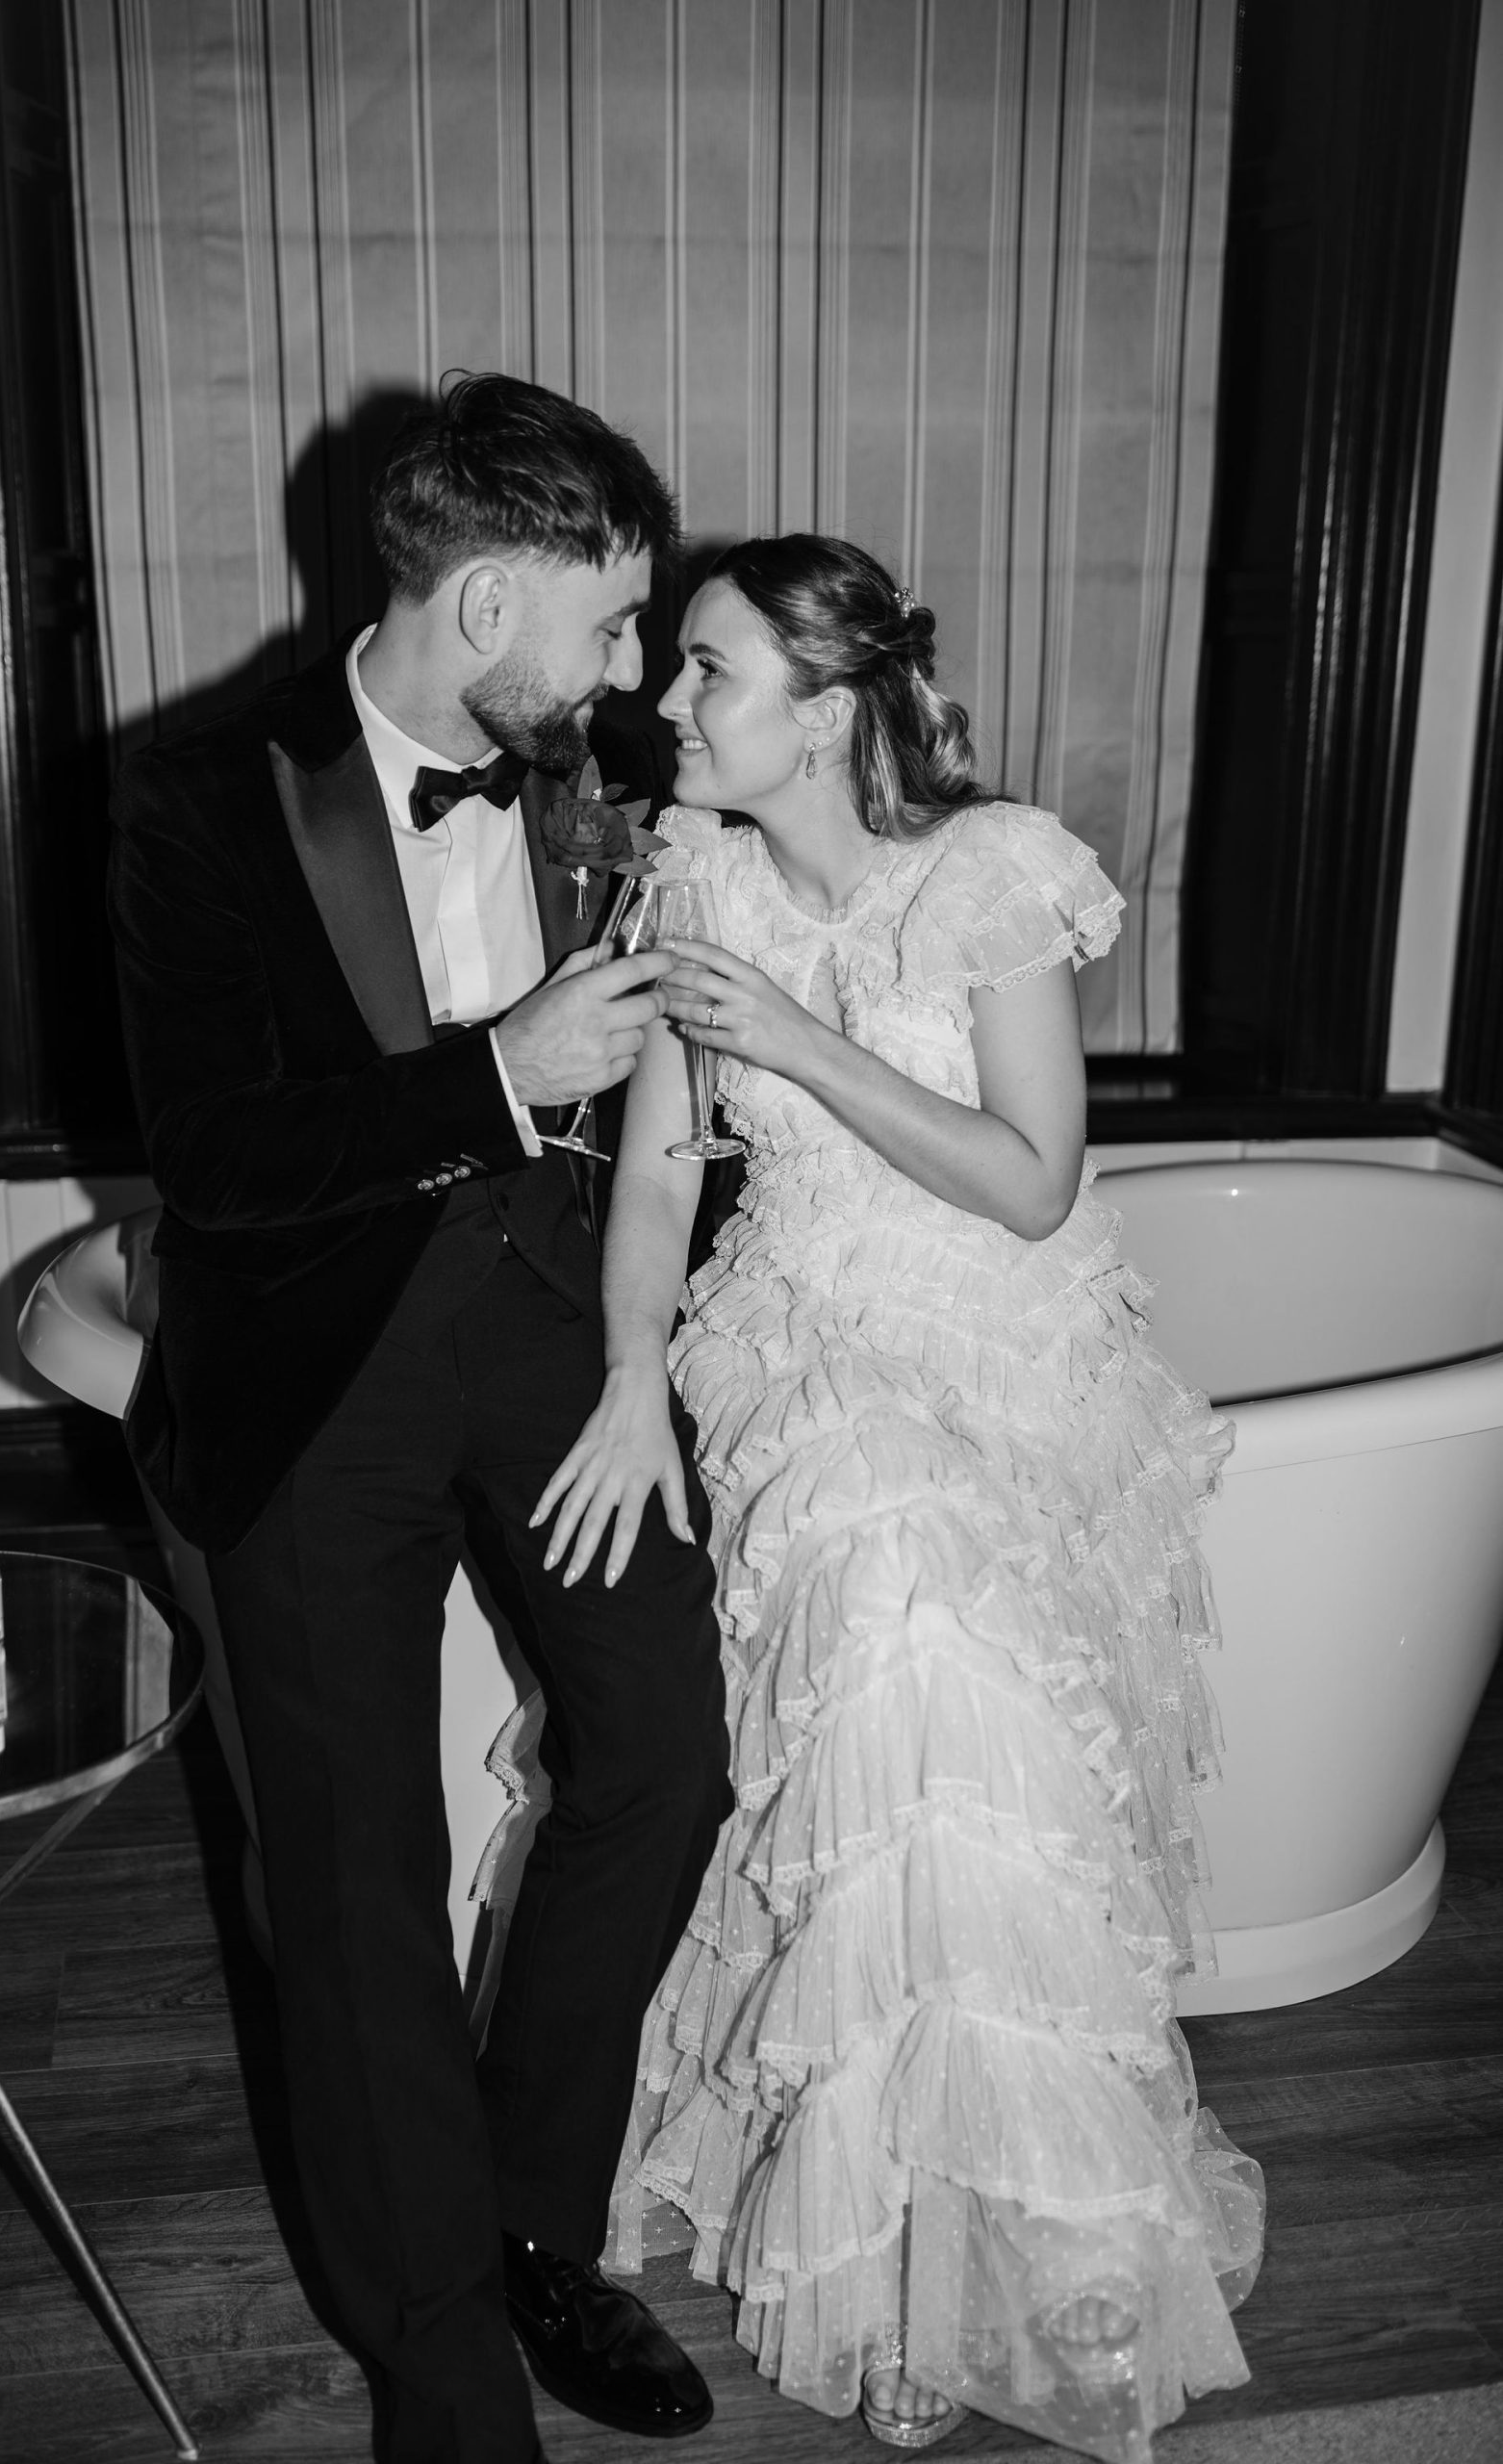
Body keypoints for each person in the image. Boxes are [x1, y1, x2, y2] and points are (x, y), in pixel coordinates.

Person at [532, 534, 1265, 2461]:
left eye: (708, 670)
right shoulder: (691, 875)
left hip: (1007, 1348)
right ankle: (892, 2251)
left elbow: (1031, 1180)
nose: (666, 702)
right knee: (897, 1656)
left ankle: (1023, 2239)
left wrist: (796, 1036)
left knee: (993, 1778)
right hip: (799, 1345)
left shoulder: (989, 870)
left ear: (828, 707)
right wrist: (626, 1372)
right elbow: (660, 1172)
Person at [107, 372, 732, 2464]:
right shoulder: (193, 797)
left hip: (551, 1332)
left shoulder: (595, 769)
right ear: (483, 605)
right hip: (313, 1371)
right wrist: (493, 1074)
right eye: (609, 622)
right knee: (358, 1882)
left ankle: (535, 2223)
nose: (629, 672)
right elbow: (210, 1156)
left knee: (665, 1750)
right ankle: (448, 2370)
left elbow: (668, 1081)